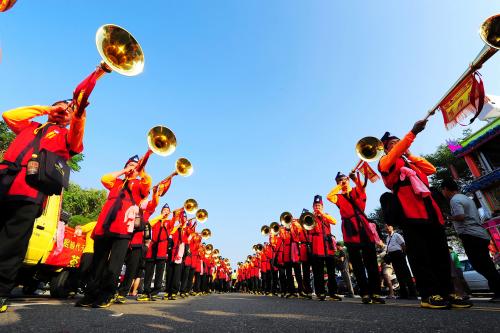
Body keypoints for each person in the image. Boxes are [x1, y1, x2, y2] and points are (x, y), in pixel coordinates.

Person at [0, 99, 87, 313]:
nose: (63, 111)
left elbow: (77, 132)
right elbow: (10, 115)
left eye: (68, 110)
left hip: (30, 190)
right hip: (4, 180)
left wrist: (79, 112)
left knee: (13, 241)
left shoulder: (68, 136)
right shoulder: (30, 126)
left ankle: (1, 290)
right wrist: (47, 109)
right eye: (60, 107)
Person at [378, 120, 472, 309]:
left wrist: (410, 154)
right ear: (387, 150)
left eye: (399, 141)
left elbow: (430, 169)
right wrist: (411, 133)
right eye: (393, 144)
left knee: (440, 252)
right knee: (421, 254)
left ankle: (447, 292)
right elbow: (395, 153)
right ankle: (429, 295)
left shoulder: (410, 162)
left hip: (430, 210)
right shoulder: (385, 162)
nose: (398, 144)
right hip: (410, 210)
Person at [75, 155, 151, 308]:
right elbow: (104, 178)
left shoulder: (138, 185)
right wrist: (125, 170)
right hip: (104, 226)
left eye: (135, 166)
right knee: (97, 263)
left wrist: (140, 171)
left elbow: (147, 184)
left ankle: (106, 295)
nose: (132, 168)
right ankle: (90, 294)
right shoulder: (116, 182)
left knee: (114, 265)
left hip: (123, 229)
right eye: (130, 164)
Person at [327, 173, 384, 304]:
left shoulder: (356, 190)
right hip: (349, 230)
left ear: (348, 180)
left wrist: (354, 179)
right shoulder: (339, 197)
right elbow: (329, 196)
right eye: (339, 180)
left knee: (371, 262)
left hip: (363, 227)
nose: (343, 181)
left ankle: (375, 292)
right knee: (357, 264)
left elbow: (362, 188)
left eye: (344, 179)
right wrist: (339, 187)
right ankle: (365, 293)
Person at [441, 179, 500, 303]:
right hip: (479, 234)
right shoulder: (466, 198)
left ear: (446, 189)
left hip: (470, 235)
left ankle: (498, 290)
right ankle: (496, 289)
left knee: (481, 265)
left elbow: (461, 216)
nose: (443, 193)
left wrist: (448, 217)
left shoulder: (454, 200)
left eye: (443, 190)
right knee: (485, 264)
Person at [309, 195, 342, 301]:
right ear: (313, 207)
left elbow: (335, 221)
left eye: (319, 205)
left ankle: (333, 293)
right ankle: (320, 293)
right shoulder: (309, 218)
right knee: (318, 272)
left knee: (331, 271)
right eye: (315, 205)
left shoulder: (326, 215)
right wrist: (312, 217)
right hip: (317, 247)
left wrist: (322, 214)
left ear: (322, 207)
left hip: (328, 247)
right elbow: (307, 231)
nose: (317, 207)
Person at [384, 224, 416, 299]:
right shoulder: (387, 238)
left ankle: (413, 294)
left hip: (399, 255)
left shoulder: (396, 235)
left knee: (406, 274)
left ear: (392, 227)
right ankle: (404, 294)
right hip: (392, 256)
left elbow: (403, 245)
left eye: (388, 226)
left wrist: (403, 255)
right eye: (385, 226)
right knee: (399, 275)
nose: (387, 228)